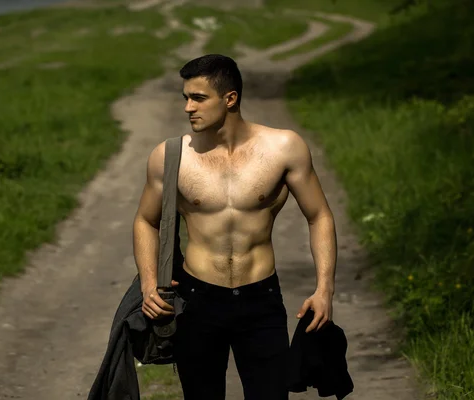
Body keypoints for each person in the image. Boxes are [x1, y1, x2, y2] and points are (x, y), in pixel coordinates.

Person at [132, 54, 338, 400]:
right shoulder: (170, 157)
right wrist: (150, 285)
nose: (187, 108)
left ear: (230, 98)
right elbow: (145, 221)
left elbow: (320, 216)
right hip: (197, 301)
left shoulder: (284, 148)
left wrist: (324, 289)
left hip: (260, 299)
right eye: (186, 97)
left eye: (198, 98)